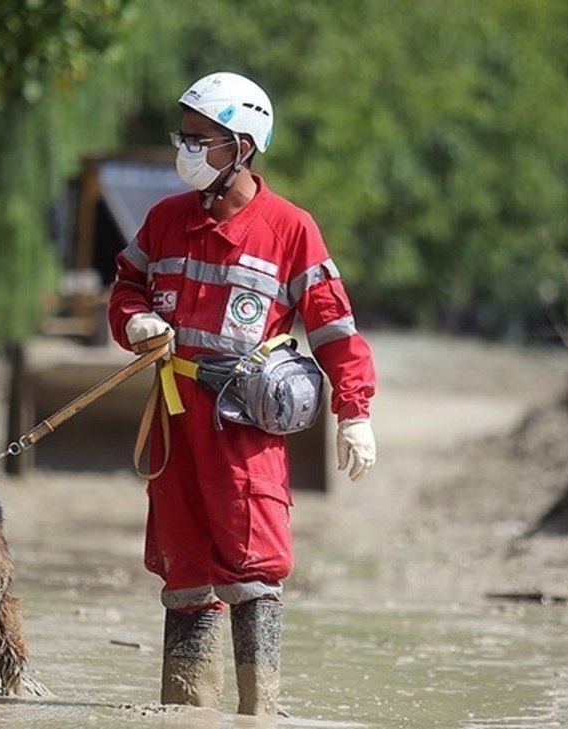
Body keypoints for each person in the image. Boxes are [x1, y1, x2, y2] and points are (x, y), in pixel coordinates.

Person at [106, 71, 377, 716]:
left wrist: (354, 412)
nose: (187, 150)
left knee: (254, 564)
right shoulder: (165, 220)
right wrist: (134, 321)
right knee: (184, 566)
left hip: (243, 426)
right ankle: (187, 710)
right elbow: (126, 287)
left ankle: (260, 710)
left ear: (244, 147)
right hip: (176, 416)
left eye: (203, 139)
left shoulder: (290, 229)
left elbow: (335, 328)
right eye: (185, 136)